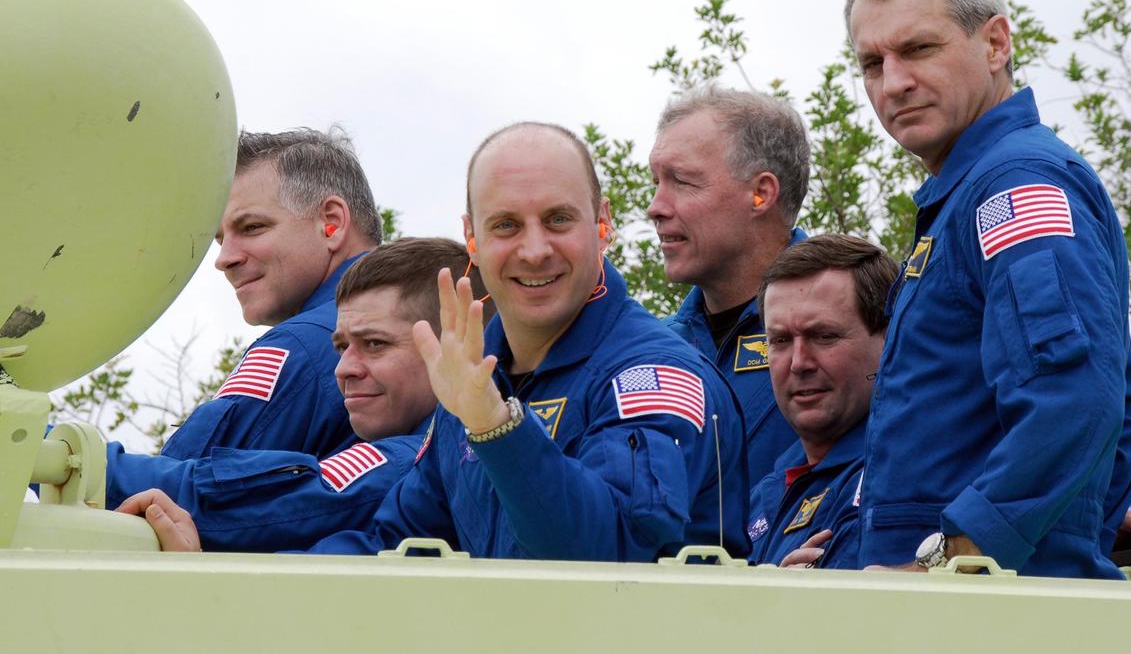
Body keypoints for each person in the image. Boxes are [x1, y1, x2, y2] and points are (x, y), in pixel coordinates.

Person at [139, 123, 750, 561]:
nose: (534, 249)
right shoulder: (475, 378)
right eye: (506, 225)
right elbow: (389, 543)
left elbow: (605, 554)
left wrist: (496, 425)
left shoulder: (654, 374)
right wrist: (214, 574)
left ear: (603, 224)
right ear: (473, 239)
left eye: (559, 220)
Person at [843, 0, 1131, 578]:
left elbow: (1075, 400)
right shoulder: (967, 195)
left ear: (995, 44)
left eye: (918, 49)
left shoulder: (1014, 187)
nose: (893, 81)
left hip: (986, 615)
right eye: (872, 63)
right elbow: (1115, 398)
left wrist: (956, 560)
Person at [114, 239, 489, 552]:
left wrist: (84, 462)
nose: (344, 368)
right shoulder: (435, 459)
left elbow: (243, 503)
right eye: (342, 347)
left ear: (454, 346)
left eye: (375, 344)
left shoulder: (410, 459)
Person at [104, 128, 380, 505]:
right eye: (220, 239)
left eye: (252, 228)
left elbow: (169, 495)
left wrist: (45, 450)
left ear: (331, 223)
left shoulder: (303, 342)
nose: (224, 259)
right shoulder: (427, 321)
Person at [648, 86, 810, 486]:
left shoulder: (867, 324)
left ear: (761, 194)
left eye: (682, 181)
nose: (655, 206)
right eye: (656, 181)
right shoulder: (650, 349)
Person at [746, 234, 897, 569]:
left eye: (824, 336)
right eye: (781, 340)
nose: (799, 362)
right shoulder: (767, 492)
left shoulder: (905, 475)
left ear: (890, 340)